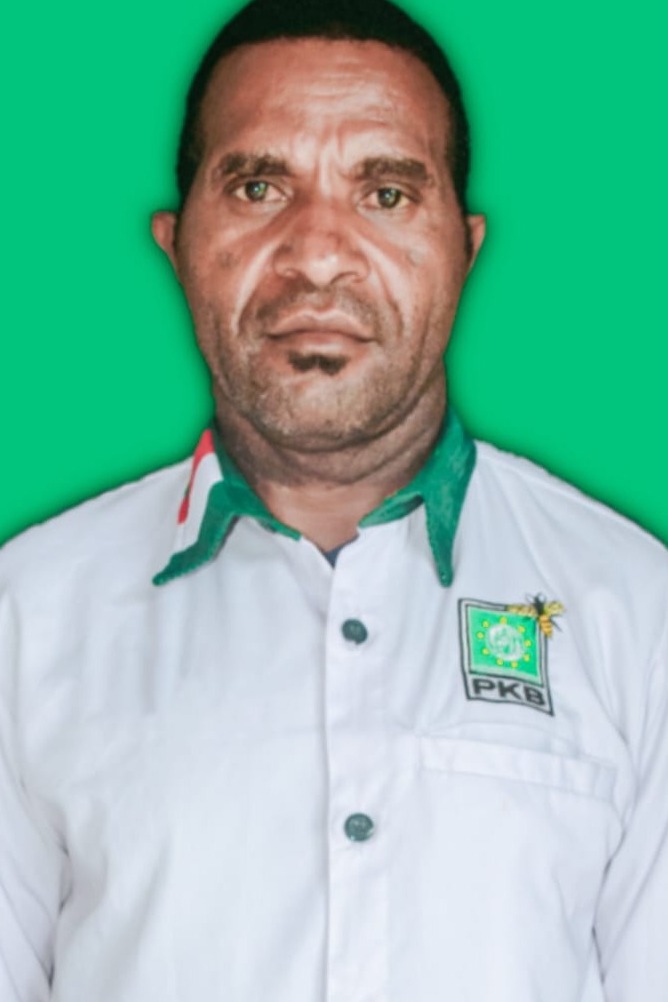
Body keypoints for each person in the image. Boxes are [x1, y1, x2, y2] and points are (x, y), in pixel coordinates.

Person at [1, 0, 666, 998]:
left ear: (465, 248)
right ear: (177, 243)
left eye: (386, 193)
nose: (317, 254)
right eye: (259, 186)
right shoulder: (26, 613)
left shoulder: (635, 610)